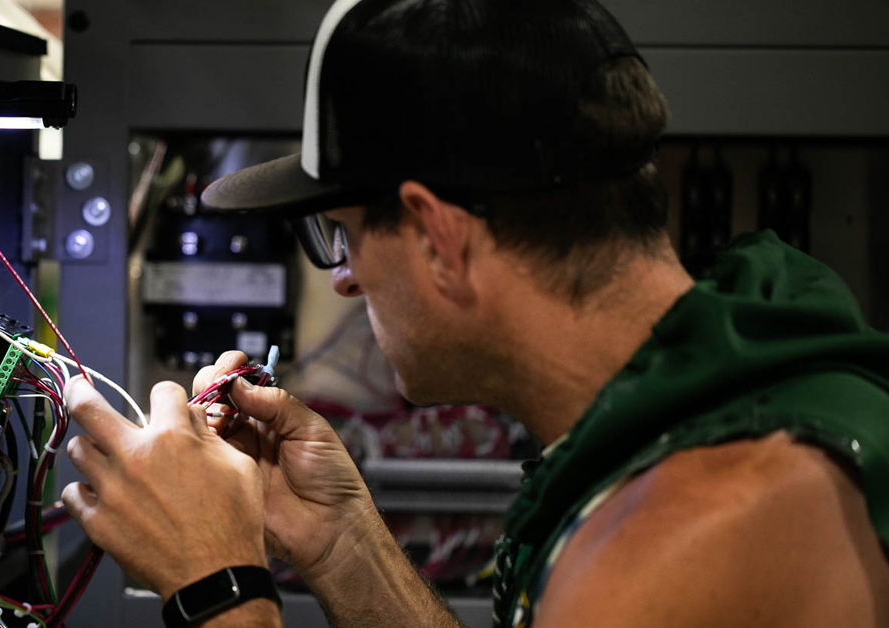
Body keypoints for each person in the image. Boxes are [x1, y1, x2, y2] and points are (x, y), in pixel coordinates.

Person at [58, 0, 889, 626]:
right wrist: (342, 542)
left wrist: (218, 585)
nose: (343, 281)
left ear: (438, 235)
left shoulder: (693, 534)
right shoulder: (712, 393)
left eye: (343, 235)